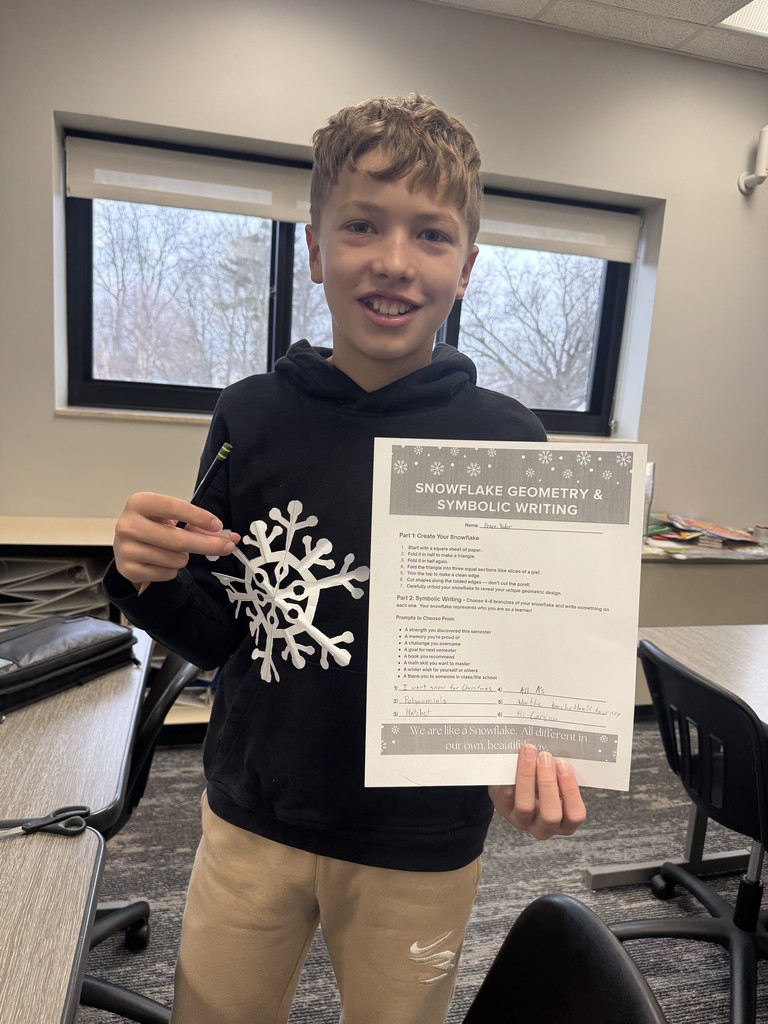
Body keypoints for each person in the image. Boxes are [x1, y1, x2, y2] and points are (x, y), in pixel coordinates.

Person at [104, 94, 587, 1024]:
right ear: (318, 251)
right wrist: (147, 574)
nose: (394, 262)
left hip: (420, 841)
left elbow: (525, 667)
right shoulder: (250, 414)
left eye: (431, 235)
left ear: (468, 267)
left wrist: (534, 763)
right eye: (362, 225)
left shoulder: (510, 443)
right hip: (251, 814)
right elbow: (228, 631)